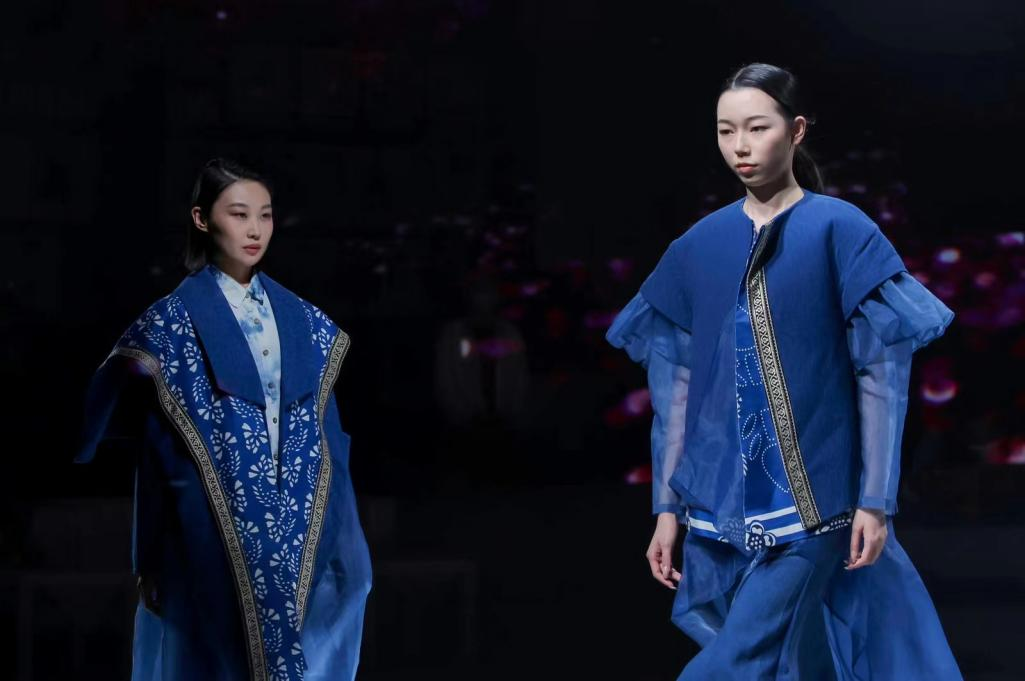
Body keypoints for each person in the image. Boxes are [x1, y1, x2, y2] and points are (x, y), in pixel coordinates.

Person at [606, 63, 962, 679]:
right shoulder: (698, 246)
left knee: (738, 659)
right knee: (797, 664)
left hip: (816, 503)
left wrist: (876, 501)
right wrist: (667, 509)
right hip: (718, 506)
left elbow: (881, 376)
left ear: (796, 131)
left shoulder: (840, 229)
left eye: (757, 127)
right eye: (726, 131)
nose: (740, 146)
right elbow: (676, 392)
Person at [77, 158, 372, 681]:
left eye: (265, 215)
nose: (255, 229)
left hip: (300, 503)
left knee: (341, 593)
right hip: (212, 512)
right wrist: (148, 551)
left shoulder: (302, 319)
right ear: (201, 218)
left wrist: (336, 510)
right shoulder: (171, 321)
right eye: (239, 214)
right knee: (212, 644)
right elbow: (150, 441)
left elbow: (326, 427)